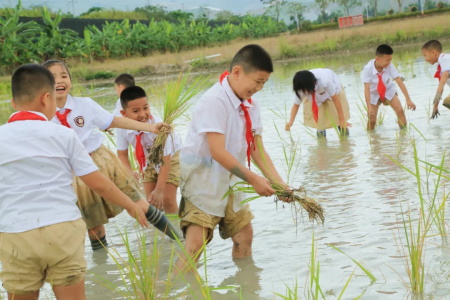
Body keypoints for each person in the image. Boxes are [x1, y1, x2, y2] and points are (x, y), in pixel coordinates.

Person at [0, 64, 148, 300]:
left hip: (15, 233)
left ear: (13, 103)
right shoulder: (63, 135)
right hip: (62, 228)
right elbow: (98, 183)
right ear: (47, 98)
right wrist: (131, 205)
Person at [175, 44, 291, 274]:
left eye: (264, 83)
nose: (259, 88)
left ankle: (245, 286)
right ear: (237, 72)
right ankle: (177, 288)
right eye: (257, 81)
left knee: (244, 236)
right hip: (202, 179)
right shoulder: (215, 101)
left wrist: (279, 184)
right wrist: (254, 180)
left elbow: (256, 149)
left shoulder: (250, 104)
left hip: (232, 177)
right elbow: (217, 152)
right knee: (196, 245)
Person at [42, 60, 181, 250]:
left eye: (64, 76)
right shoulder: (42, 115)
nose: (59, 80)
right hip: (73, 171)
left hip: (101, 161)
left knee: (138, 202)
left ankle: (179, 240)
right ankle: (103, 267)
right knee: (93, 223)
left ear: (70, 80)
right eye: (52, 77)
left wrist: (150, 127)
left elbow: (115, 121)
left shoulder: (85, 105)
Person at [116, 86, 182, 213]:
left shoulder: (159, 126)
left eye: (146, 108)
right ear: (124, 114)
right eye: (136, 111)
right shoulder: (122, 127)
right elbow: (122, 154)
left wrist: (159, 189)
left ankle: (179, 231)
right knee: (151, 203)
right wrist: (130, 172)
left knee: (167, 200)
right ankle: (160, 232)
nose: (143, 114)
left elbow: (165, 160)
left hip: (170, 158)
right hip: (148, 159)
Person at [361, 44, 416, 131]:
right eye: (387, 60)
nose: (389, 63)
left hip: (388, 90)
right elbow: (366, 89)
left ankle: (404, 134)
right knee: (371, 120)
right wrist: (369, 107)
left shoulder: (389, 65)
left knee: (400, 110)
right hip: (373, 93)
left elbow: (399, 81)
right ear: (377, 59)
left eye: (390, 60)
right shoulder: (367, 69)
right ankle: (371, 138)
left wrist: (408, 99)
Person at [285, 68, 351, 137]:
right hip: (315, 98)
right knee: (320, 125)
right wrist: (290, 122)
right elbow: (296, 105)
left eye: (306, 89)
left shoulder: (325, 81)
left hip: (333, 92)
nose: (304, 92)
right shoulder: (300, 89)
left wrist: (342, 119)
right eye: (303, 90)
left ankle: (345, 142)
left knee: (340, 123)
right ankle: (322, 146)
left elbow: (335, 99)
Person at [422, 40, 450, 119]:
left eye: (425, 55)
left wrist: (437, 94)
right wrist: (435, 107)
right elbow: (441, 86)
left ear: (433, 53)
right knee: (447, 101)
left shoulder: (445, 58)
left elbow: (445, 76)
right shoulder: (442, 67)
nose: (425, 59)